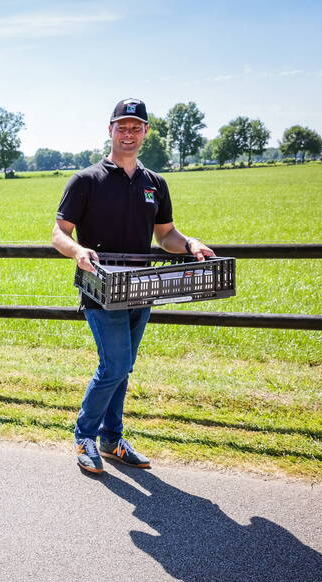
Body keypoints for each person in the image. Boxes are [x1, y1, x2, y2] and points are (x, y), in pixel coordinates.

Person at [51, 98, 216, 475]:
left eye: (136, 127)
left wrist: (190, 244)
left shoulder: (154, 183)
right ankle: (84, 436)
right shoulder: (86, 180)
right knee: (115, 365)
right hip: (101, 289)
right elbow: (58, 234)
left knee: (123, 368)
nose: (128, 134)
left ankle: (112, 440)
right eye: (122, 127)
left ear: (145, 132)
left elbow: (166, 235)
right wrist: (77, 250)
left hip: (142, 290)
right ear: (109, 130)